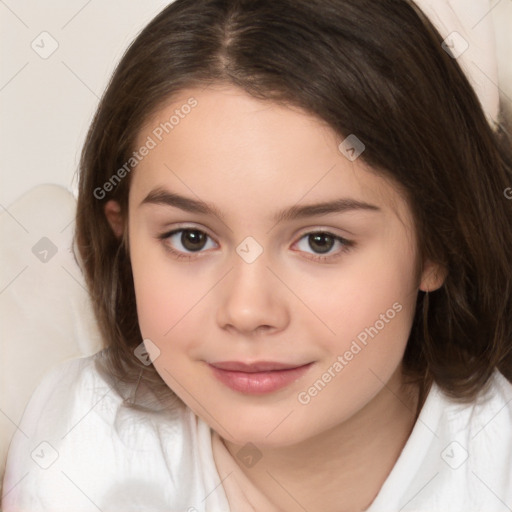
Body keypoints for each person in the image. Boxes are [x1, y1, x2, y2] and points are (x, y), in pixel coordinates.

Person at [2, 0, 512, 510]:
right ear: (124, 235)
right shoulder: (80, 446)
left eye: (321, 242)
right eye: (191, 238)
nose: (247, 311)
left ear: (437, 246)